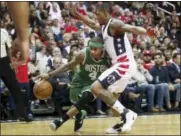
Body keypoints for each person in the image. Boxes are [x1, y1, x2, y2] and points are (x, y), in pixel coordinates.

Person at [70, 3, 151, 133]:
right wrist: (79, 15)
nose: (96, 16)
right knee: (111, 99)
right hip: (119, 65)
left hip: (124, 64)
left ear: (106, 13)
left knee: (96, 88)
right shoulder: (103, 26)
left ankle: (128, 114)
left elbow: (131, 28)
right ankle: (123, 121)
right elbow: (92, 24)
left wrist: (145, 31)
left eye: (98, 14)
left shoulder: (114, 24)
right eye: (95, 14)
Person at [39, 37, 110, 132]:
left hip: (93, 84)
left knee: (85, 96)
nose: (92, 51)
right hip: (78, 82)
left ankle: (60, 121)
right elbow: (68, 66)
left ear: (102, 49)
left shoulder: (108, 58)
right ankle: (81, 115)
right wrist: (49, 74)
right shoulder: (83, 54)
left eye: (95, 49)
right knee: (77, 110)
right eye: (91, 48)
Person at [0, 2, 31, 122]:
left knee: (15, 88)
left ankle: (22, 114)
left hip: (3, 61)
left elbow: (9, 49)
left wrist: (11, 62)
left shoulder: (3, 32)